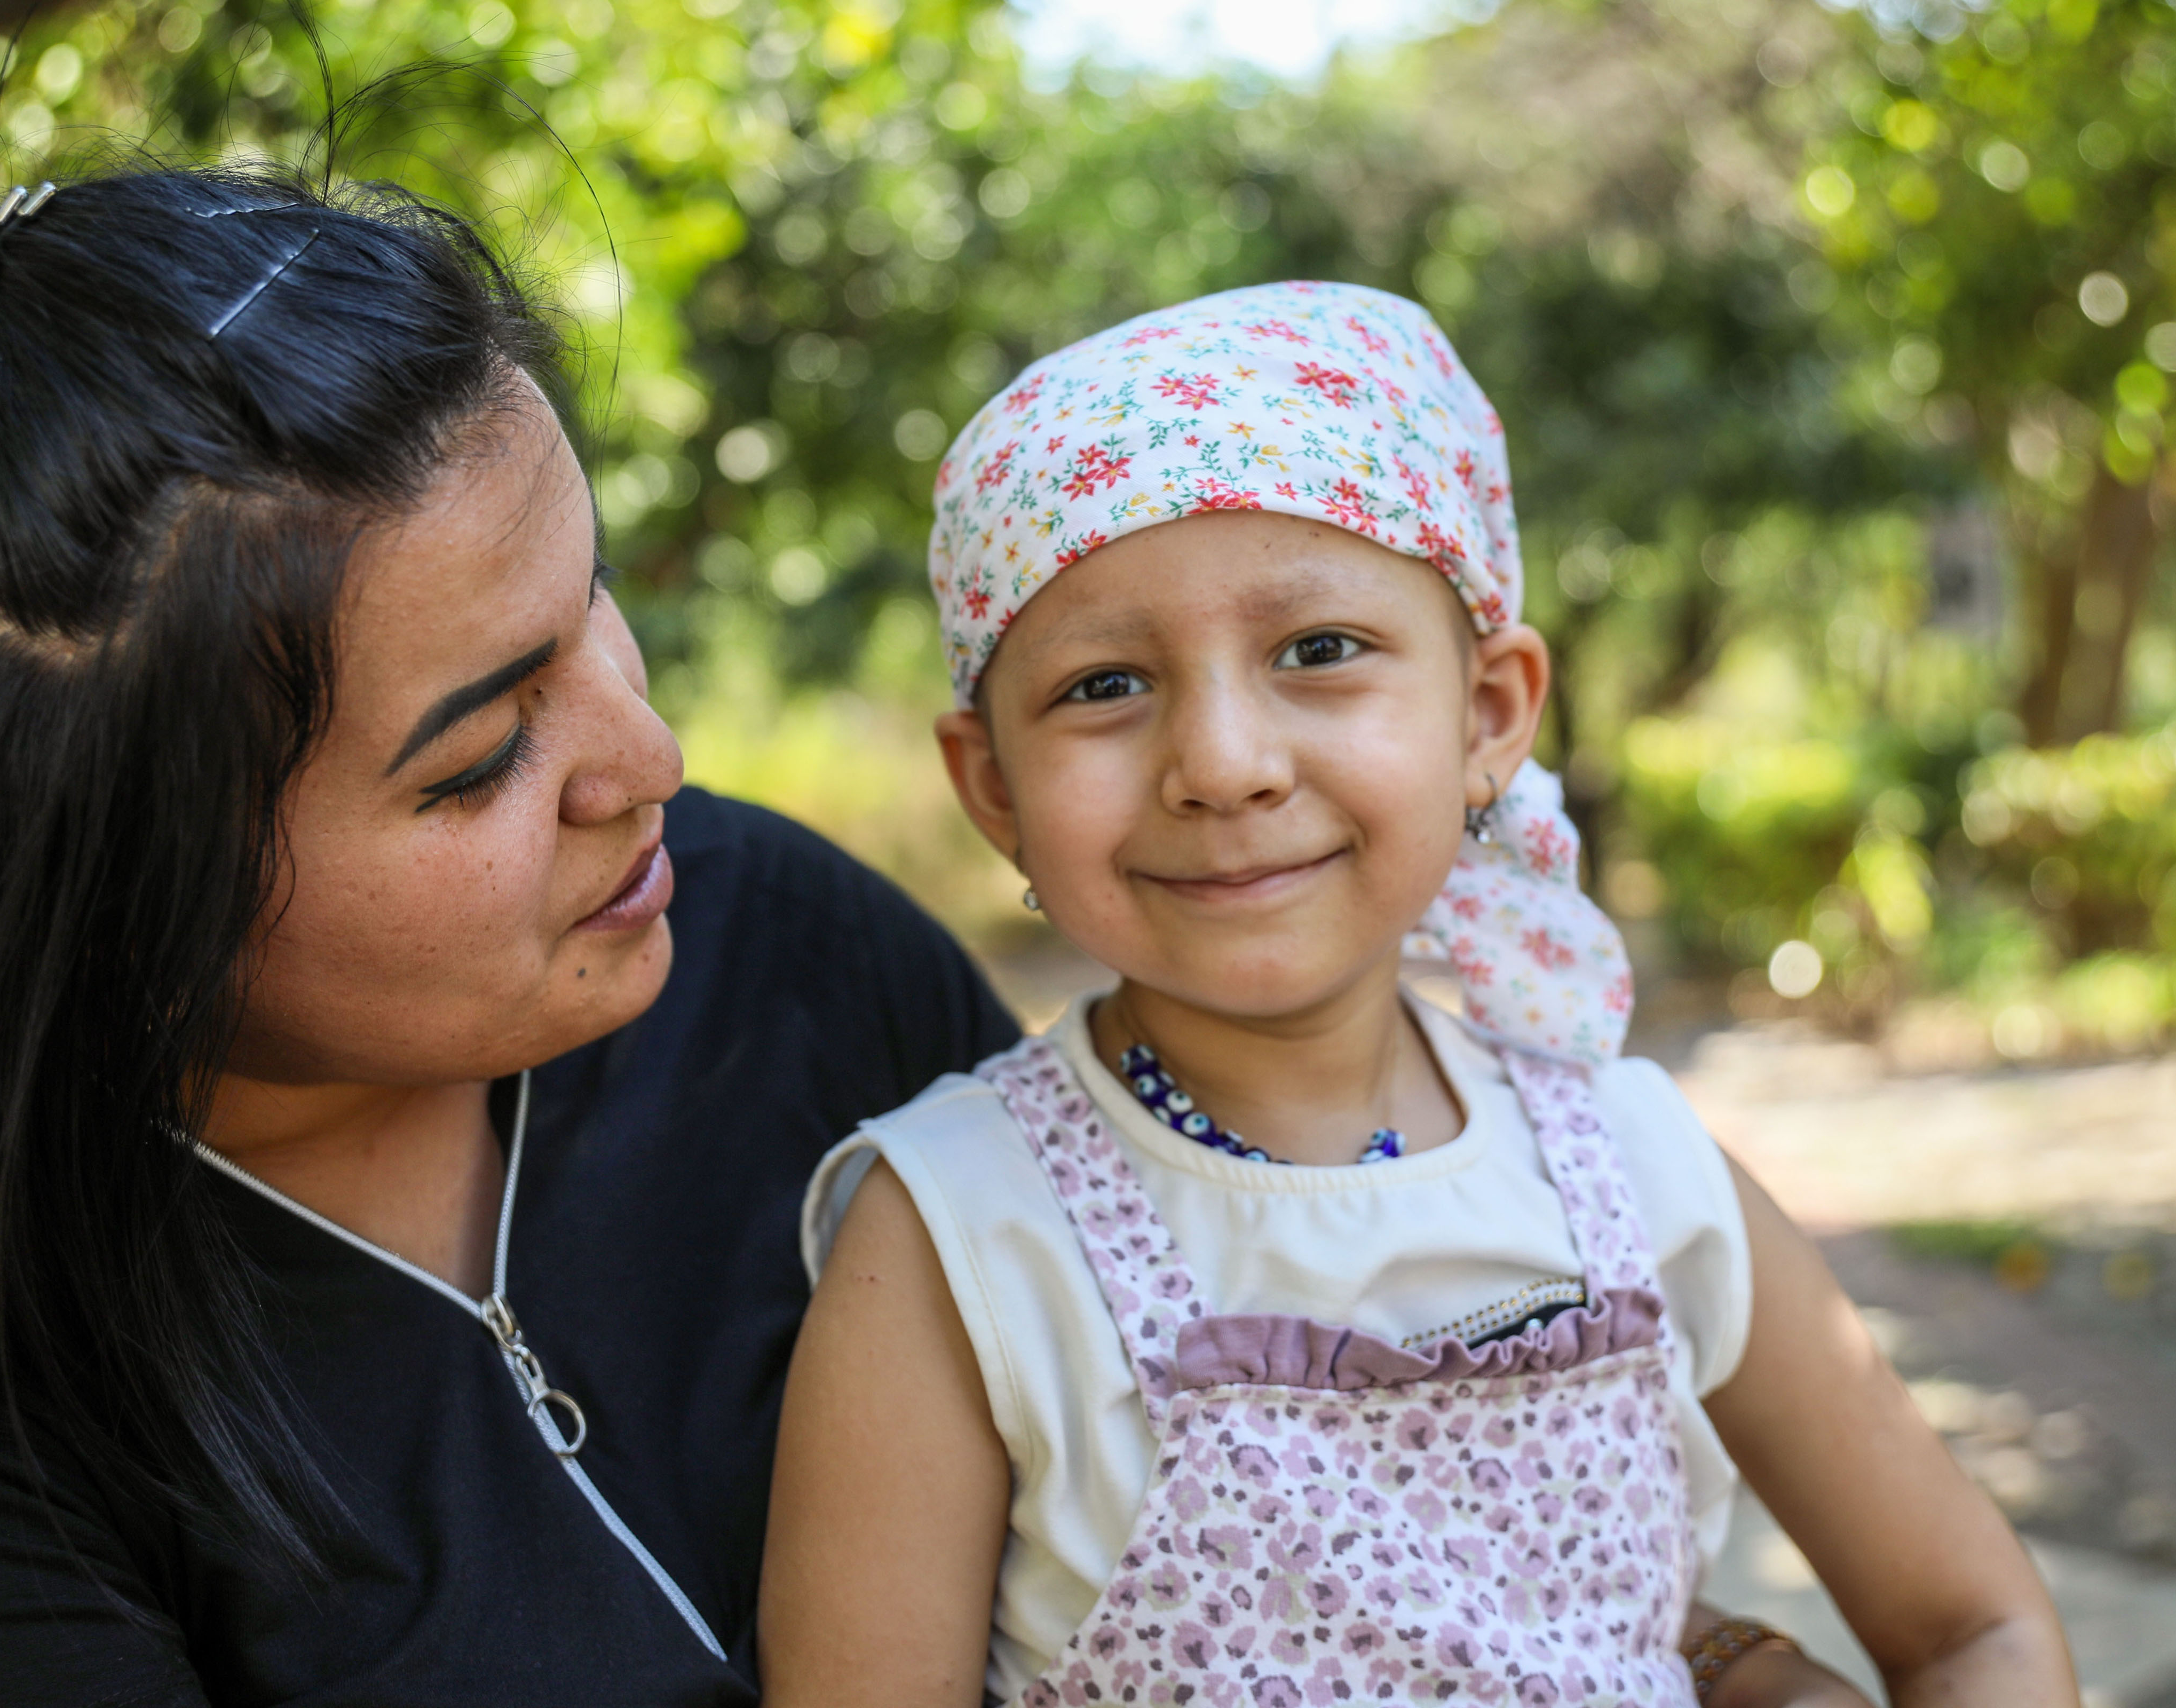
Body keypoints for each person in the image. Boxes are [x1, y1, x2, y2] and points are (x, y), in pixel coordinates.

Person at [0, 165, 1016, 1705]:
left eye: (589, 595)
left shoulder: (776, 951)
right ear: (92, 904)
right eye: (476, 762)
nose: (648, 762)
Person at [757, 283, 2078, 1706]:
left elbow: (1972, 1633)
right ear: (990, 785)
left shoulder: (1633, 1169)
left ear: (1488, 715)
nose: (1222, 761)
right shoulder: (958, 1240)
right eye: (1105, 684)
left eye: (1317, 651)